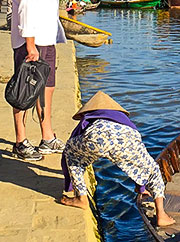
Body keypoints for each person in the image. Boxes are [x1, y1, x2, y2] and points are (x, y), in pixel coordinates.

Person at [60, 92, 174, 227]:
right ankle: (161, 214)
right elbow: (138, 160)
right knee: (153, 171)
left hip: (95, 138)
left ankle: (81, 198)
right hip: (125, 139)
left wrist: (69, 182)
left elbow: (74, 138)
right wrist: (141, 187)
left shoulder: (89, 117)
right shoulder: (123, 121)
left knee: (72, 155)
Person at [9, 0, 75, 161]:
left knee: (47, 87)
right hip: (32, 40)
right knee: (24, 89)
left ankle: (47, 137)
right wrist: (30, 44)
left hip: (47, 39)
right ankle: (20, 141)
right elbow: (25, 6)